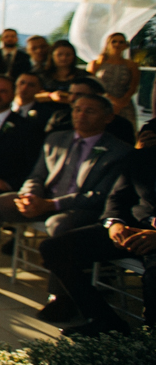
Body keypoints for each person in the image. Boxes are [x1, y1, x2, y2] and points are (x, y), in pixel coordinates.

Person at [0, 94, 130, 293]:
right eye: (77, 109)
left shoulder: (118, 151)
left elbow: (99, 195)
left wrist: (51, 204)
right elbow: (36, 175)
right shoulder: (56, 139)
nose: (81, 115)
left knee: (58, 224)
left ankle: (59, 295)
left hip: (79, 209)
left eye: (90, 111)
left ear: (108, 117)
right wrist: (28, 196)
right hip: (43, 199)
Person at [39, 131, 156, 336]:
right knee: (54, 248)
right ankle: (104, 320)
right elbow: (117, 197)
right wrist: (114, 224)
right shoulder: (142, 156)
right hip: (132, 228)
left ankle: (148, 342)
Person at [0, 75, 43, 203]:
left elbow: (31, 165)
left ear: (13, 94)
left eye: (2, 91)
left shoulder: (26, 127)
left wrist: (7, 184)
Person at [43, 78, 135, 145]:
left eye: (79, 94)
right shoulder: (59, 117)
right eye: (70, 94)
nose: (72, 98)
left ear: (97, 96)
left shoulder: (120, 125)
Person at [87, 32, 140, 127]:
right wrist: (110, 99)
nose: (117, 44)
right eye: (114, 41)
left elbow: (133, 86)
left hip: (124, 105)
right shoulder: (96, 64)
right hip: (101, 104)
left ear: (125, 45)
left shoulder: (132, 65)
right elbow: (90, 85)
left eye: (121, 42)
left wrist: (121, 102)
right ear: (107, 44)